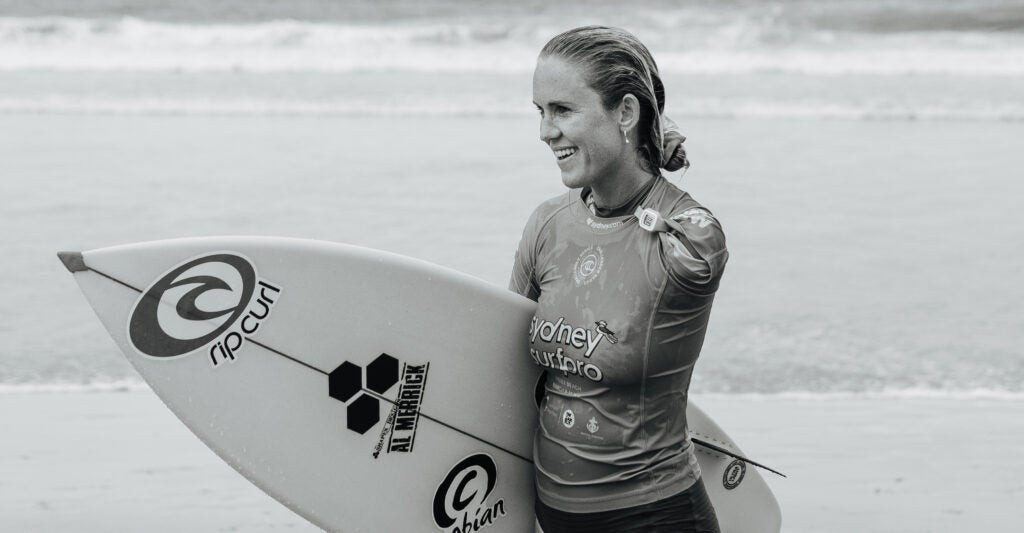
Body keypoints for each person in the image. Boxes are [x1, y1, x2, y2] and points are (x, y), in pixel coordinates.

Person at [509, 26, 727, 533]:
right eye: (540, 112)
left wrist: (656, 128)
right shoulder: (548, 225)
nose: (545, 131)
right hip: (552, 513)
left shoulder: (689, 239)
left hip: (654, 515)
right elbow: (507, 359)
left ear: (626, 112)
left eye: (563, 111)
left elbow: (703, 251)